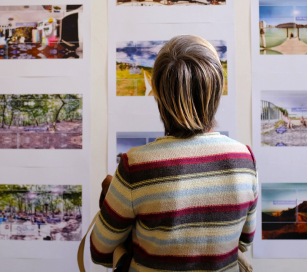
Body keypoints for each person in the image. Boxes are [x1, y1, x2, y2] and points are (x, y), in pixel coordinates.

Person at [90, 35, 258, 272]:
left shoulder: (135, 166)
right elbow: (243, 242)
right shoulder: (245, 159)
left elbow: (99, 251)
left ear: (158, 94)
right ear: (217, 91)